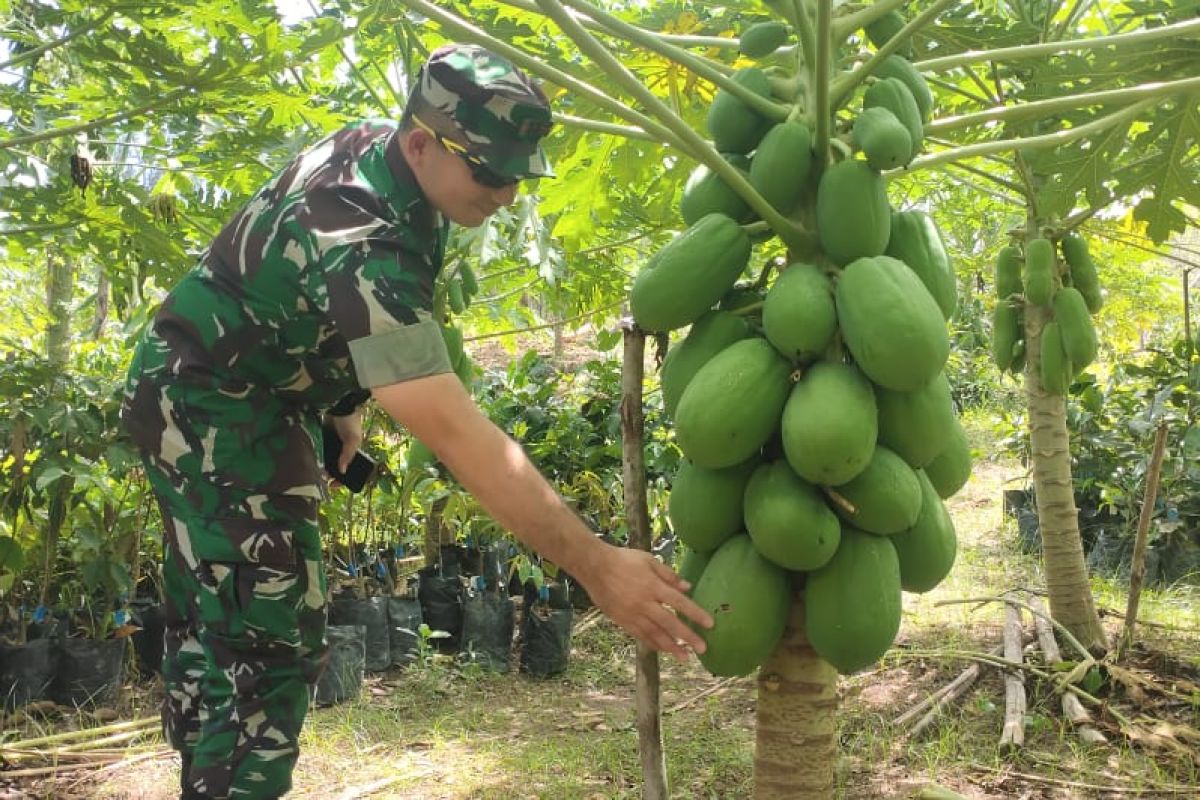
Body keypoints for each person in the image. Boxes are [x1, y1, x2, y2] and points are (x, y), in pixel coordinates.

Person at [121, 43, 712, 800]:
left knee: (216, 628)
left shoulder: (393, 166)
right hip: (215, 411)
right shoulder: (360, 224)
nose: (506, 195)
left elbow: (313, 305)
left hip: (213, 393)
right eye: (492, 173)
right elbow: (457, 433)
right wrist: (596, 567)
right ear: (422, 143)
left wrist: (341, 409)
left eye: (519, 176)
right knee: (263, 652)